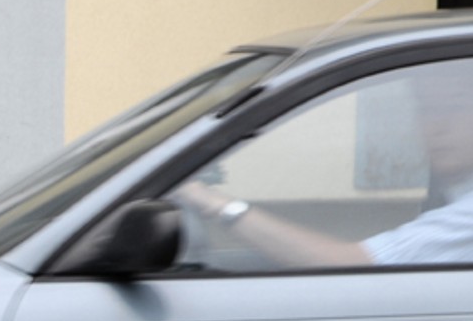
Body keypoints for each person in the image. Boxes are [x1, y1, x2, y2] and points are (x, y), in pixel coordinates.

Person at [174, 59, 473, 268]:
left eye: (453, 108)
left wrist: (214, 203)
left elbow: (354, 265)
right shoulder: (455, 191)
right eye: (426, 109)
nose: (435, 125)